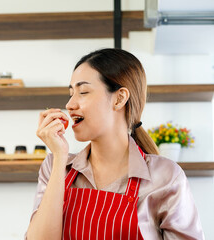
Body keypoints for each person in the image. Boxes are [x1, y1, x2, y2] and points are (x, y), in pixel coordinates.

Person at [26, 48, 204, 239]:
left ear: (119, 98)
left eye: (83, 91)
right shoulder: (55, 167)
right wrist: (60, 157)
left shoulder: (165, 176)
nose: (70, 104)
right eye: (71, 93)